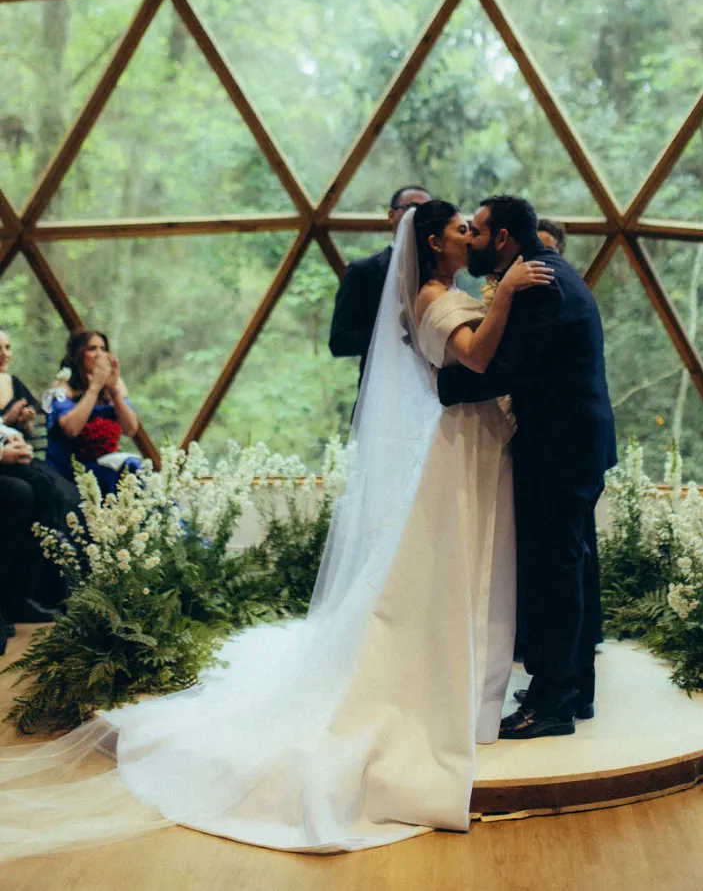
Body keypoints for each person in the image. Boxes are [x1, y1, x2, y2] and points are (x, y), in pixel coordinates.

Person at [0, 204, 552, 858]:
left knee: (457, 572)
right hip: (458, 450)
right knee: (438, 574)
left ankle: (470, 687)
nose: (473, 235)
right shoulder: (434, 297)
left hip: (471, 447)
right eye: (463, 229)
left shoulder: (450, 289)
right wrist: (510, 292)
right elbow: (477, 358)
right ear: (435, 242)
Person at [437, 195, 617, 740]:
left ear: (503, 239)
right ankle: (573, 689)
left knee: (554, 572)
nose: (468, 239)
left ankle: (553, 704)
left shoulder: (538, 283)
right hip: (573, 444)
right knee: (569, 565)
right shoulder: (547, 272)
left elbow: (504, 369)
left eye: (478, 231)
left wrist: (436, 383)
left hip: (561, 449)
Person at [0, 328, 80, 630]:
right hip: (7, 460)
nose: (4, 353)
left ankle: (40, 587)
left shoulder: (13, 382)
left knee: (59, 493)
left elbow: (28, 431)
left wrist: (21, 425)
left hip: (16, 453)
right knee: (24, 494)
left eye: (8, 346)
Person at [329, 184, 431, 389]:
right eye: (411, 207)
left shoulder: (440, 271)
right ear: (391, 215)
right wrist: (394, 336)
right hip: (381, 388)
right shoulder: (362, 271)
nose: (419, 215)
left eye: (427, 210)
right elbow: (339, 341)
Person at [45, 330, 142, 497]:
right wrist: (94, 387)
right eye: (92, 349)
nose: (99, 355)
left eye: (103, 349)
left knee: (133, 468)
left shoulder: (115, 385)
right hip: (71, 470)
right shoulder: (61, 387)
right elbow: (71, 429)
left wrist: (114, 392)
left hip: (105, 464)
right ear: (78, 355)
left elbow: (131, 429)